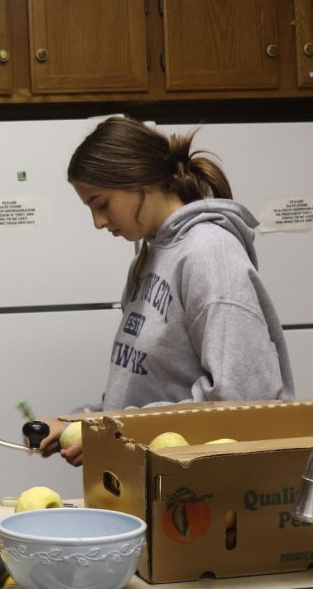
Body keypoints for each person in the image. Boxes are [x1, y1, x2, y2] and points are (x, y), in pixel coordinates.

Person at [36, 116, 295, 465]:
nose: (98, 222)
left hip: (201, 486)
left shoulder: (209, 252)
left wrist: (111, 430)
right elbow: (146, 389)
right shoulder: (149, 257)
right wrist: (82, 420)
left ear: (138, 181)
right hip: (155, 476)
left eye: (101, 204)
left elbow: (246, 396)